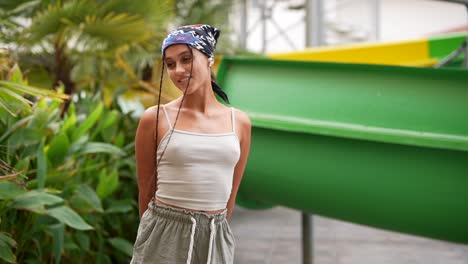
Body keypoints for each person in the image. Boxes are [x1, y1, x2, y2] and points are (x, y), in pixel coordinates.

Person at [131, 24, 251, 264]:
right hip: (163, 235)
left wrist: (213, 231)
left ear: (208, 59)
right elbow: (146, 191)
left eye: (186, 59)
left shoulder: (239, 122)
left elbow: (231, 193)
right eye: (170, 64)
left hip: (215, 236)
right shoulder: (155, 118)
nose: (178, 70)